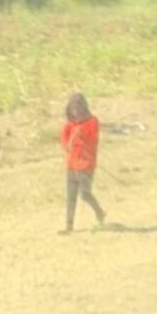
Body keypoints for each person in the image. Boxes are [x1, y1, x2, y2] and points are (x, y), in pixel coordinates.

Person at [60, 92, 106, 233]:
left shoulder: (92, 122)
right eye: (73, 108)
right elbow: (64, 140)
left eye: (78, 108)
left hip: (86, 164)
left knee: (85, 194)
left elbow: (93, 140)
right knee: (71, 197)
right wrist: (67, 144)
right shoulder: (70, 124)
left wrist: (81, 138)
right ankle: (69, 226)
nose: (76, 111)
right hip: (72, 165)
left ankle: (99, 213)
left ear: (83, 107)